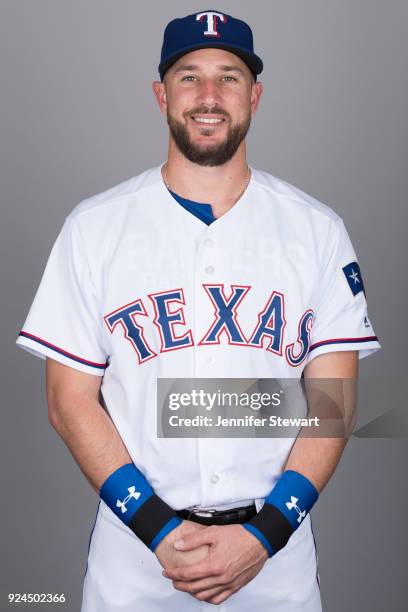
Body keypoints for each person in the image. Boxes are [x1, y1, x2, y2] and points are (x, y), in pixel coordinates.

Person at [16, 9, 381, 611]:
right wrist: (158, 529)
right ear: (160, 93)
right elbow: (68, 399)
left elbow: (333, 403)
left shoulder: (318, 230)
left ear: (255, 96)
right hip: (136, 559)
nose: (208, 96)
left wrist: (263, 537)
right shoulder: (94, 227)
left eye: (229, 77)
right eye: (189, 76)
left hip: (275, 558)